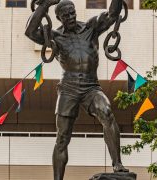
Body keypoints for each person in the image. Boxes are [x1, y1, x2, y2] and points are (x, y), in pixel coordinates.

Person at [25, 0, 129, 179]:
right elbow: (30, 32)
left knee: (107, 112)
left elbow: (112, 14)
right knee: (62, 138)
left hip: (91, 87)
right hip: (68, 88)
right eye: (66, 15)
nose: (70, 17)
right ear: (59, 18)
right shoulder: (55, 36)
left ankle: (117, 163)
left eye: (72, 13)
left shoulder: (91, 27)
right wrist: (44, 6)